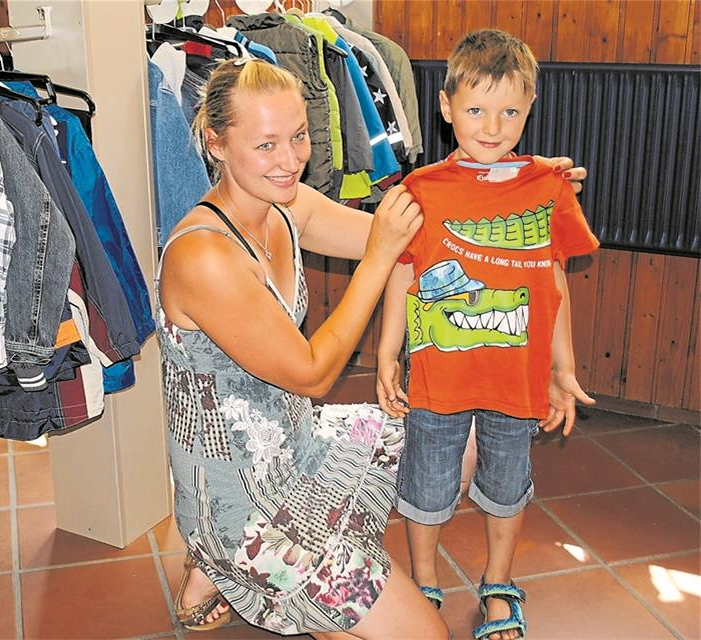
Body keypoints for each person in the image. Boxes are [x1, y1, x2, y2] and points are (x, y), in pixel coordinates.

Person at [157, 57, 585, 639]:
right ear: (216, 142)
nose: (290, 161)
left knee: (452, 441)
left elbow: (428, 232)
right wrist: (379, 258)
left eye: (299, 136)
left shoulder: (288, 206)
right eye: (265, 145)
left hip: (300, 447)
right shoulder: (203, 256)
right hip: (246, 506)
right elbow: (312, 374)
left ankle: (295, 586)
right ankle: (224, 559)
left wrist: (512, 183)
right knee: (428, 636)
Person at [376, 29, 599, 640]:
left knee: (506, 484)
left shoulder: (549, 187)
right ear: (446, 107)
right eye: (476, 109)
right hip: (438, 376)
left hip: (516, 379)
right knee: (426, 484)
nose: (493, 127)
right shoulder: (420, 190)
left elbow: (555, 279)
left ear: (530, 108)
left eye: (509, 112)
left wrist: (562, 368)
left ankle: (499, 583)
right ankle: (424, 582)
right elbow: (401, 271)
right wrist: (387, 352)